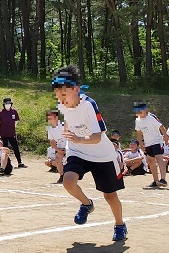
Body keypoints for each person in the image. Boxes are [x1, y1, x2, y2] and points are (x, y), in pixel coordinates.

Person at [52, 64, 127, 241]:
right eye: (58, 96)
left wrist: (78, 138)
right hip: (78, 151)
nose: (61, 100)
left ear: (76, 89)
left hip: (102, 155)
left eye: (64, 95)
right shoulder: (63, 106)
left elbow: (97, 136)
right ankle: (86, 204)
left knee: (110, 195)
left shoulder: (88, 105)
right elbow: (70, 122)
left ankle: (120, 224)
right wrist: (70, 136)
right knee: (68, 181)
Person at [134, 102, 169, 188]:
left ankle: (163, 179)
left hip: (157, 141)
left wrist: (165, 136)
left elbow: (161, 127)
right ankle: (156, 181)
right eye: (137, 111)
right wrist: (141, 144)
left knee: (159, 158)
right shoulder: (138, 120)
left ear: (146, 110)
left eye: (140, 110)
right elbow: (138, 133)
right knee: (150, 161)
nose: (139, 112)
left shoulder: (151, 117)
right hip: (148, 143)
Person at [0, 97, 27, 168]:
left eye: (9, 103)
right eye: (6, 104)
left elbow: (16, 121)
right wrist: (4, 128)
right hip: (4, 134)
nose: (8, 105)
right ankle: (6, 163)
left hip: (11, 133)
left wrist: (12, 128)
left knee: (16, 147)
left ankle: (20, 162)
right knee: (5, 149)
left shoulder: (14, 111)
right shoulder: (1, 113)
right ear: (4, 104)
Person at [46, 109, 66, 183]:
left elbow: (71, 137)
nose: (49, 120)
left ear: (56, 118)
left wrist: (67, 148)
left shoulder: (64, 125)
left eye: (51, 118)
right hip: (60, 148)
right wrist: (58, 150)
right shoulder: (50, 129)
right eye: (48, 119)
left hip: (70, 147)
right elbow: (52, 141)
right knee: (57, 158)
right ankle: (62, 176)